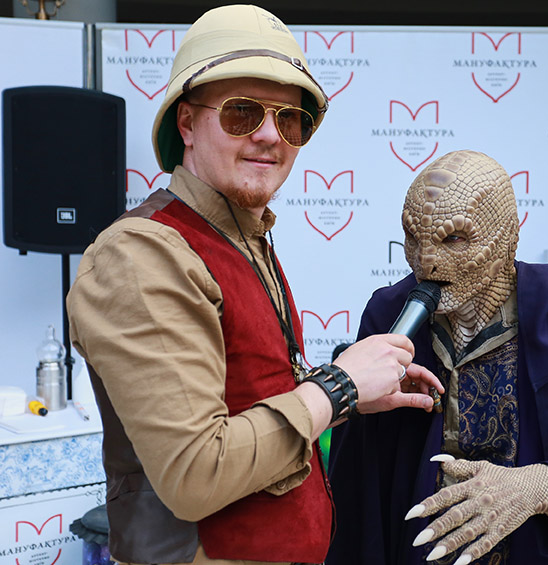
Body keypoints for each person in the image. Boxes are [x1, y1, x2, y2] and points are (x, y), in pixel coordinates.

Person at [67, 5, 441, 565]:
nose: (270, 136)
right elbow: (195, 472)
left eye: (290, 120)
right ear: (186, 124)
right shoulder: (142, 253)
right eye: (242, 112)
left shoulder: (243, 235)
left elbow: (249, 397)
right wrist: (339, 386)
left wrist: (350, 398)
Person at [327, 150, 548, 565]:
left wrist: (537, 486)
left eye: (453, 239)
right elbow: (356, 478)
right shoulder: (388, 315)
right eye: (413, 237)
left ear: (506, 237)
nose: (426, 262)